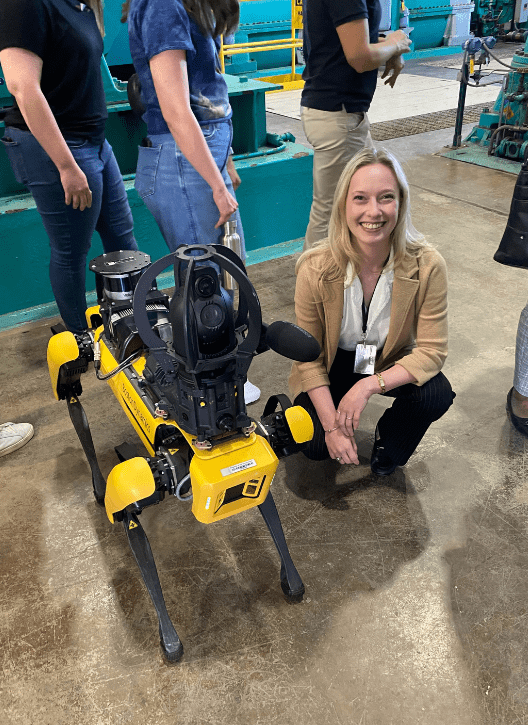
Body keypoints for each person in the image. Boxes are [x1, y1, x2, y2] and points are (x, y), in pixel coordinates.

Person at [123, 0, 260, 402]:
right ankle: (209, 390)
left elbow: (205, 90)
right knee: (205, 285)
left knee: (221, 275)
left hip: (198, 157)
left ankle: (216, 377)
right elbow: (176, 107)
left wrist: (225, 158)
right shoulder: (164, 5)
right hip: (185, 163)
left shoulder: (183, 5)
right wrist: (215, 183)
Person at [289, 148, 455, 474]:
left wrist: (368, 385)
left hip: (384, 360)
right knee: (316, 446)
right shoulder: (314, 267)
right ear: (343, 205)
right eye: (360, 198)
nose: (374, 211)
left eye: (386, 197)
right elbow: (307, 357)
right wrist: (332, 428)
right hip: (331, 362)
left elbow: (433, 351)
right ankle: (328, 420)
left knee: (435, 394)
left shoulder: (428, 265)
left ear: (401, 203)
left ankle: (388, 437)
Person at [0, 0, 138, 337]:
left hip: (95, 141)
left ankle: (128, 323)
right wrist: (66, 166)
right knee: (72, 251)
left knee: (122, 239)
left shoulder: (83, 6)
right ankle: (81, 338)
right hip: (56, 148)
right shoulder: (25, 5)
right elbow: (22, 87)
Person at [301, 0, 412, 251]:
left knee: (364, 195)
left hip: (343, 114)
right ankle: (312, 287)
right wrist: (396, 44)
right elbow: (359, 57)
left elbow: (344, 40)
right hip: (338, 115)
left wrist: (389, 46)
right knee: (329, 212)